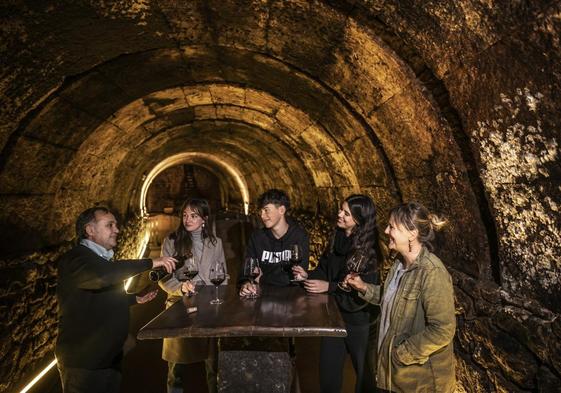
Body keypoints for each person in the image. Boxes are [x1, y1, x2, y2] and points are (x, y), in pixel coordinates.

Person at [56, 206, 176, 393]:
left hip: (108, 359)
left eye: (116, 225)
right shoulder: (76, 258)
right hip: (85, 364)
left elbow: (95, 296)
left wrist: (133, 298)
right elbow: (102, 278)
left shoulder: (99, 259)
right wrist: (151, 262)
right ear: (90, 230)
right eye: (109, 225)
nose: (117, 230)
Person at [346, 202, 456, 392]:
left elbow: (443, 329)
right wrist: (364, 287)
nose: (387, 231)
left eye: (392, 227)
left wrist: (402, 354)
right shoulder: (399, 264)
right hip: (395, 376)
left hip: (419, 382)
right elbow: (393, 300)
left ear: (412, 234)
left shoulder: (432, 272)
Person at [293, 194, 380, 393]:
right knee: (328, 372)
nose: (339, 214)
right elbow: (325, 269)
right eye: (341, 209)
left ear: (358, 220)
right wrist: (307, 274)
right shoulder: (338, 237)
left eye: (346, 213)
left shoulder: (369, 252)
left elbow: (358, 291)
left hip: (360, 321)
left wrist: (329, 287)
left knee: (365, 378)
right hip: (334, 316)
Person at [158, 198, 227, 393]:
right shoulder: (171, 242)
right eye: (185, 215)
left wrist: (220, 299)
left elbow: (222, 275)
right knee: (176, 367)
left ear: (204, 219)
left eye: (194, 215)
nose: (188, 219)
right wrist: (180, 287)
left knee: (213, 364)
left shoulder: (216, 243)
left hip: (209, 309)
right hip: (179, 307)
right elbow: (164, 278)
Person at [239, 189, 309, 296]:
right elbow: (247, 271)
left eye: (266, 210)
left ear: (281, 210)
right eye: (261, 211)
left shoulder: (299, 236)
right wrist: (246, 284)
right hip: (263, 296)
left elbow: (297, 277)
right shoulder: (257, 237)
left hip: (292, 297)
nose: (262, 216)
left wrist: (262, 278)